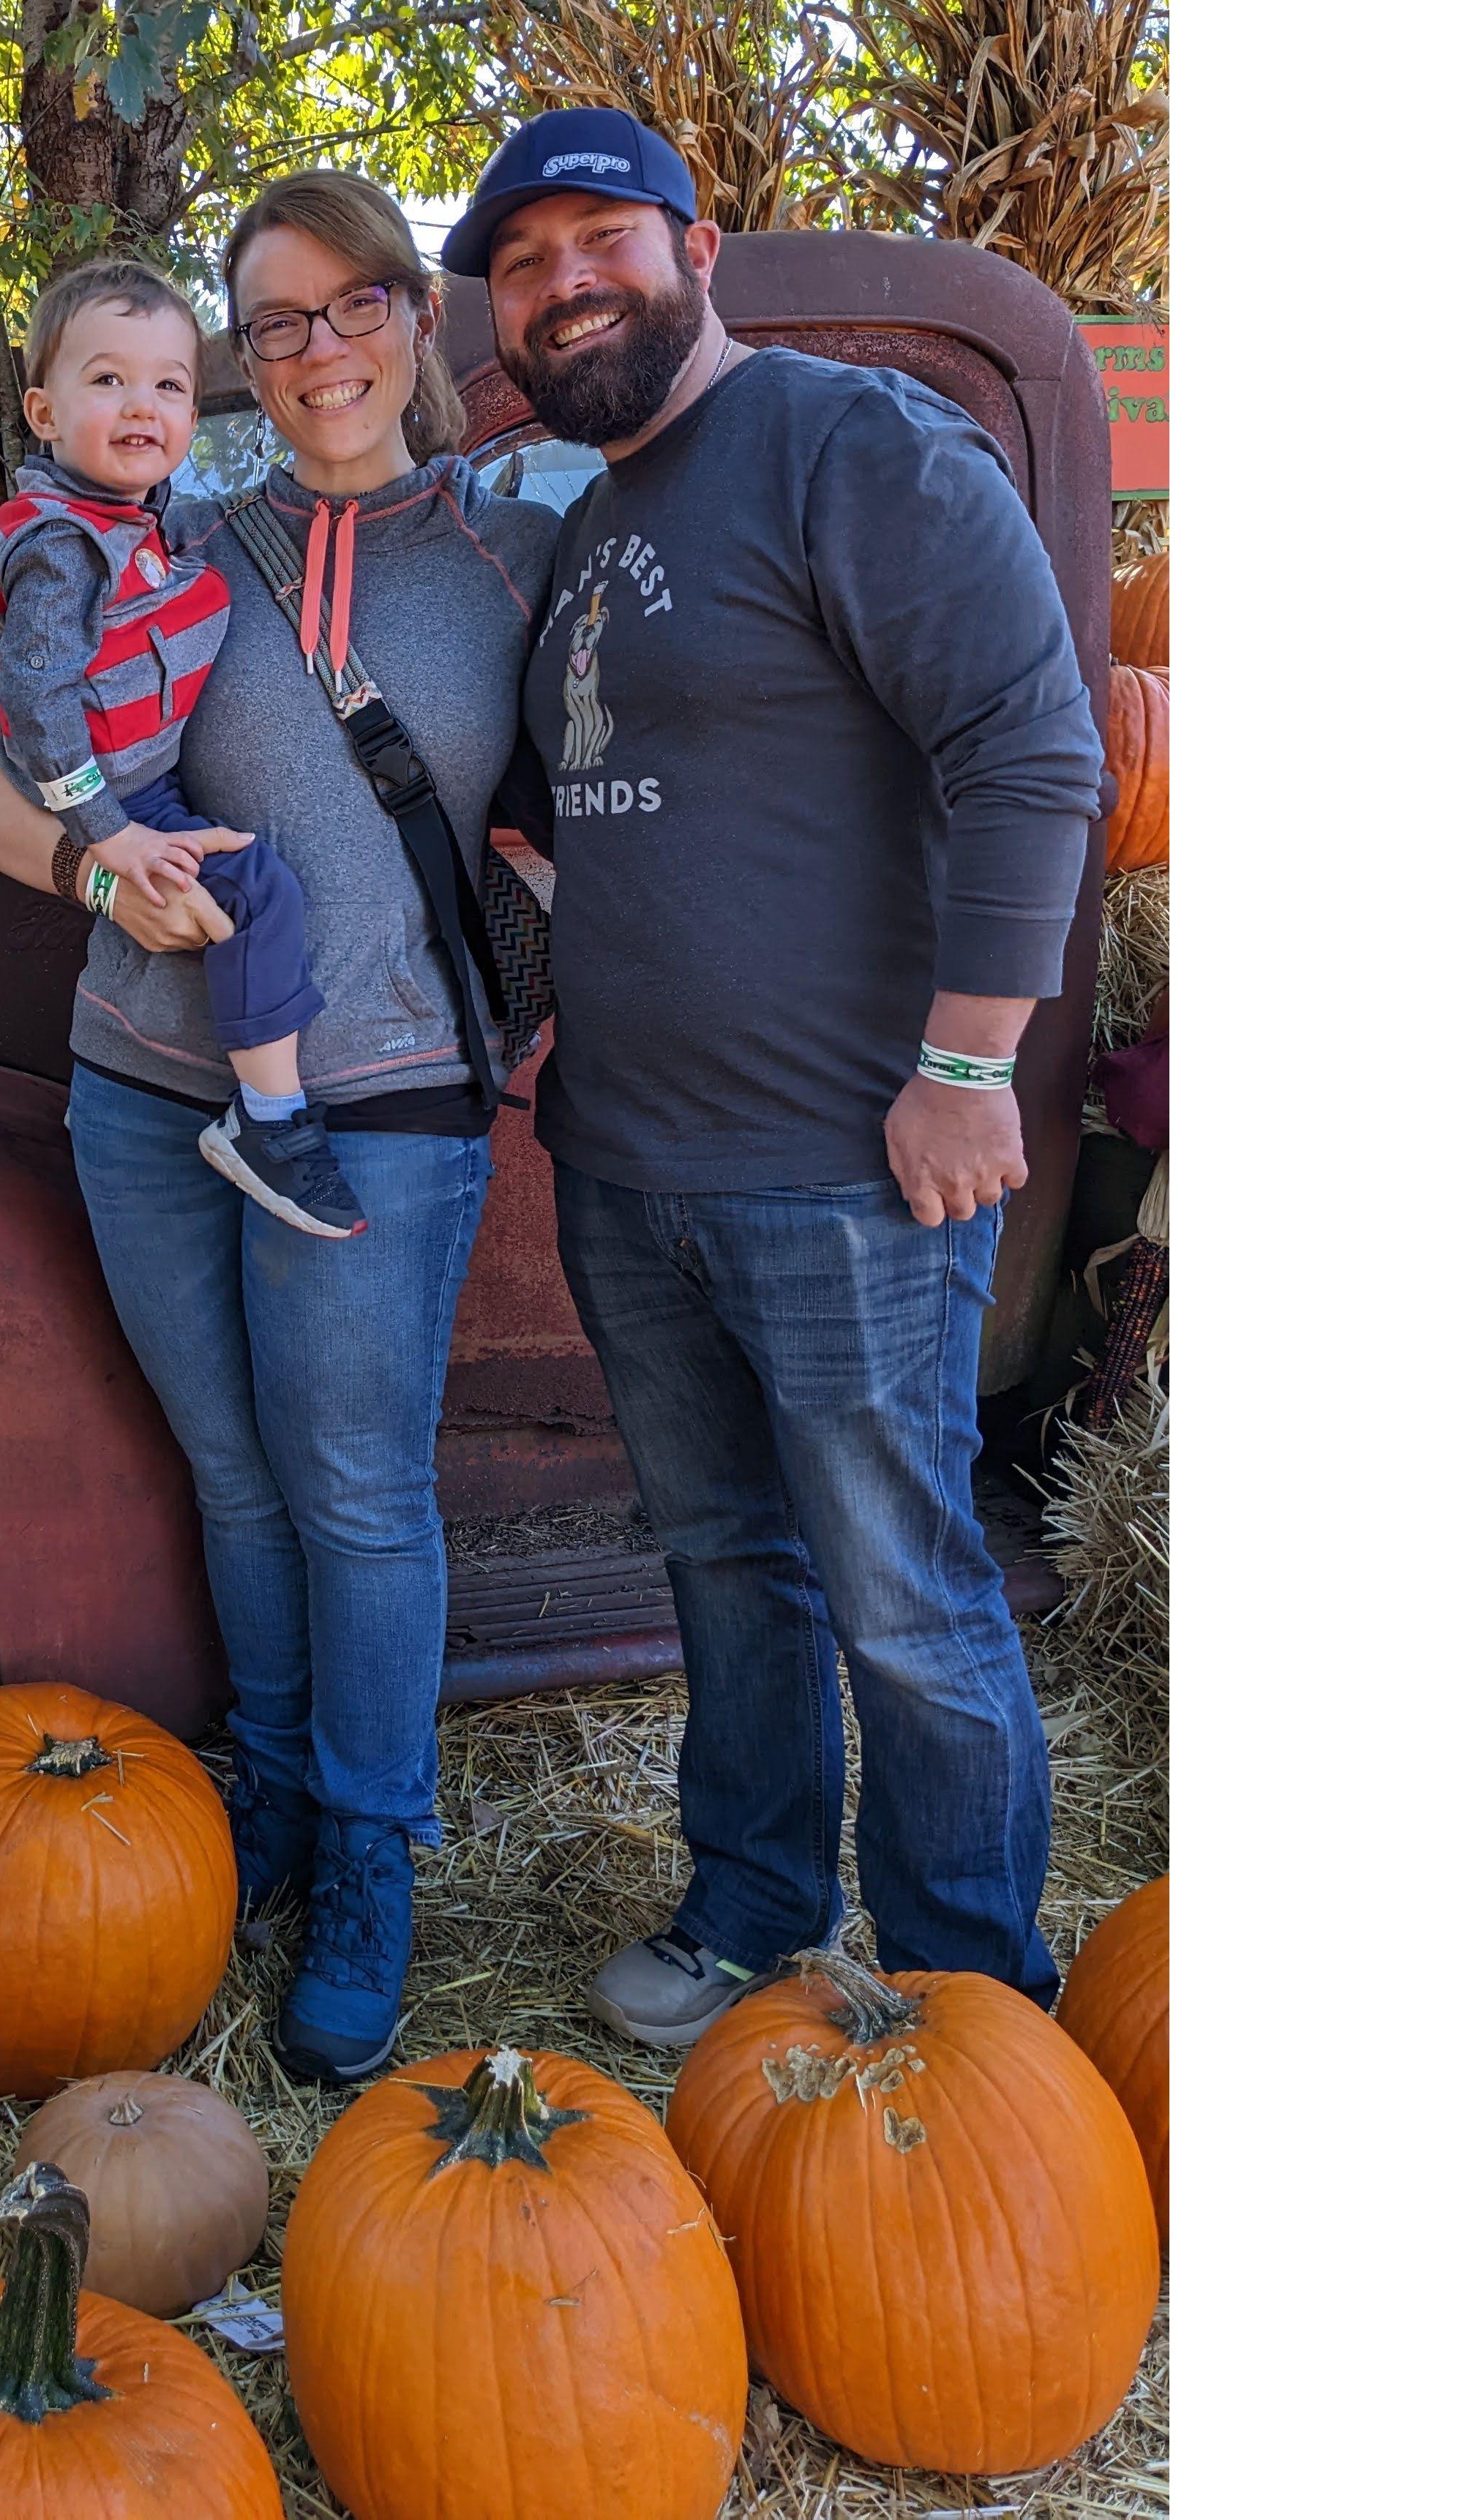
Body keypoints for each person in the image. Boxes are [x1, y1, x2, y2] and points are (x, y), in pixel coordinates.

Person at [447, 105, 1109, 2043]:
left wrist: (968, 1067)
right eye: (521, 262)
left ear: (696, 244)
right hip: (631, 1167)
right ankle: (749, 1910)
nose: (563, 284)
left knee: (901, 1591)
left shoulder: (853, 449)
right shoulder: (590, 528)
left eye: (600, 239)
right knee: (726, 1571)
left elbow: (1032, 750)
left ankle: (970, 2001)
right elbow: (569, 816)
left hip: (852, 1164)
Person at [0, 174, 564, 2082]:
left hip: (374, 1104)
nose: (318, 351)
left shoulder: (509, 554)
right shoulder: (169, 541)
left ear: (415, 318)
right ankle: (275, 1818)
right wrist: (97, 873)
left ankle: (373, 1866)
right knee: (233, 1477)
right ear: (235, 363)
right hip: (143, 1084)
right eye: (273, 323)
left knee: (356, 1492)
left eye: (351, 305)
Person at [0, 256, 362, 1239]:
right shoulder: (61, 546)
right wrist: (108, 839)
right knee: (258, 893)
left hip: (132, 790)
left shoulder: (133, 525)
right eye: (107, 380)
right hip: (113, 799)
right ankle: (272, 1122)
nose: (141, 403)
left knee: (250, 891)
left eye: (169, 385)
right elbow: (38, 704)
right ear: (44, 413)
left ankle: (268, 1113)